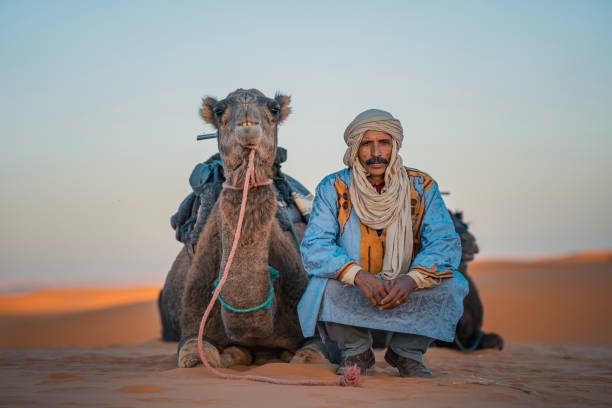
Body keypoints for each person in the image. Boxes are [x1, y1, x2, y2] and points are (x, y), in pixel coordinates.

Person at [298, 109, 468, 377]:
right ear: (355, 147)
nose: (376, 152)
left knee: (454, 285)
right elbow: (315, 246)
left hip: (406, 286)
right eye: (366, 144)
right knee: (321, 285)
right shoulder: (333, 187)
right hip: (356, 285)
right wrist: (358, 276)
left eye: (384, 143)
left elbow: (444, 242)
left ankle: (406, 354)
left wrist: (411, 279)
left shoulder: (422, 186)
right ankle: (357, 352)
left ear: (395, 145)